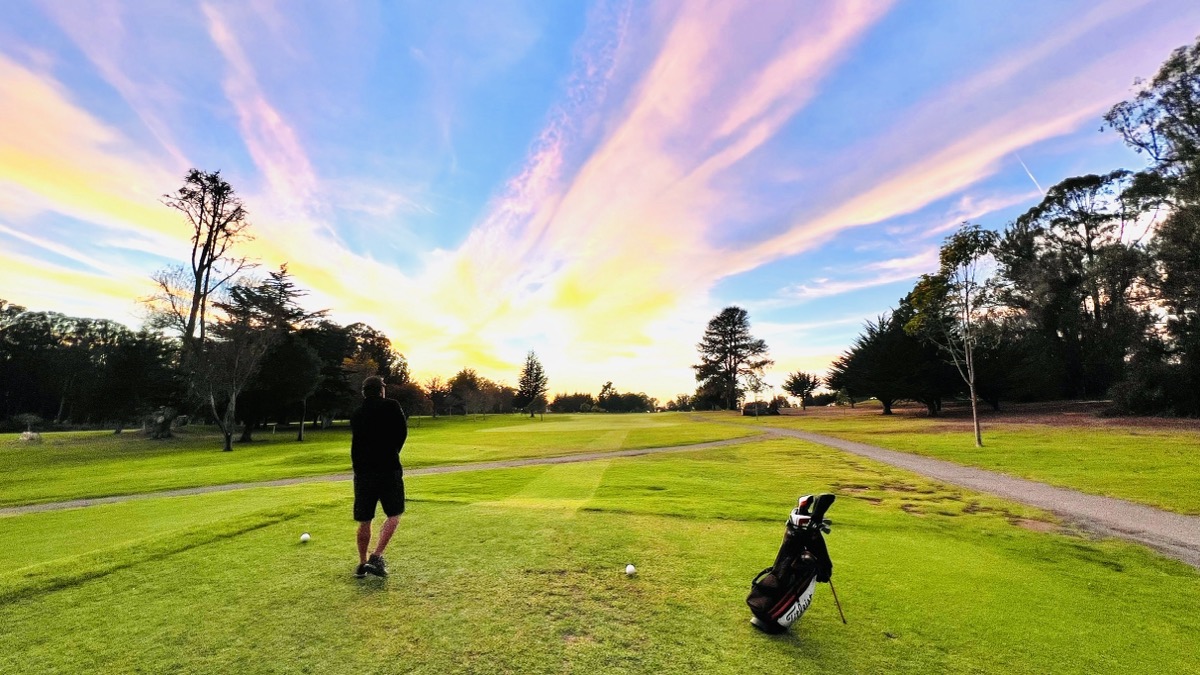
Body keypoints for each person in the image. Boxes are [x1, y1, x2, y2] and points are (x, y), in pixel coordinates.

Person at [350, 376, 408, 578]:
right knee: (394, 514)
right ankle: (376, 556)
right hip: (388, 469)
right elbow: (402, 433)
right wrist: (392, 453)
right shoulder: (392, 406)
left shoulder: (357, 413)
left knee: (365, 519)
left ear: (364, 392)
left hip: (363, 472)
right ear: (381, 390)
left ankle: (362, 564)